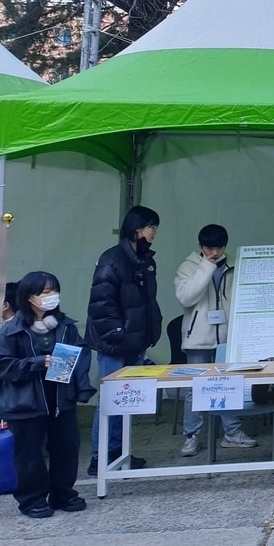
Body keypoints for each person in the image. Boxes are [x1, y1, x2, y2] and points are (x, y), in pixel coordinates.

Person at [0, 271, 94, 517]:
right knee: (29, 454)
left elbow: (82, 351)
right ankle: (32, 499)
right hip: (26, 402)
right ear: (29, 297)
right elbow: (3, 365)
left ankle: (63, 493)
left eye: (54, 291)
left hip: (60, 398)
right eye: (45, 292)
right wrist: (38, 363)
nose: (52, 297)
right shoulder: (11, 331)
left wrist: (78, 383)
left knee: (67, 447)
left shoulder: (64, 326)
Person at [86, 204, 161, 475]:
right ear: (137, 229)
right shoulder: (112, 259)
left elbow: (146, 301)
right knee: (110, 400)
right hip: (115, 344)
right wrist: (117, 334)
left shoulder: (145, 260)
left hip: (135, 341)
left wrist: (150, 332)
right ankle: (99, 456)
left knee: (126, 401)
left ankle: (118, 451)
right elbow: (101, 304)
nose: (154, 232)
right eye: (152, 226)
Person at [175, 224, 257, 456]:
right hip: (198, 338)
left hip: (227, 337)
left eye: (219, 248)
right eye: (209, 248)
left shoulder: (235, 265)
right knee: (194, 389)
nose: (215, 253)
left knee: (228, 385)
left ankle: (232, 432)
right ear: (200, 247)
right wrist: (206, 267)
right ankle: (191, 436)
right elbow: (186, 297)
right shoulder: (188, 267)